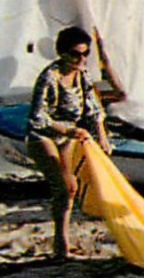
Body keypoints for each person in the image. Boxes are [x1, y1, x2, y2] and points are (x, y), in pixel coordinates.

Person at [26, 26, 113, 260]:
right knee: (64, 187)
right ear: (62, 53)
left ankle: (60, 241)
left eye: (85, 54)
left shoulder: (82, 75)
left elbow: (94, 109)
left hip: (68, 136)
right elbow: (38, 117)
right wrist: (67, 129)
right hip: (44, 135)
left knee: (69, 190)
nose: (81, 59)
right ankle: (61, 245)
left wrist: (101, 137)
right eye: (76, 54)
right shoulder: (49, 77)